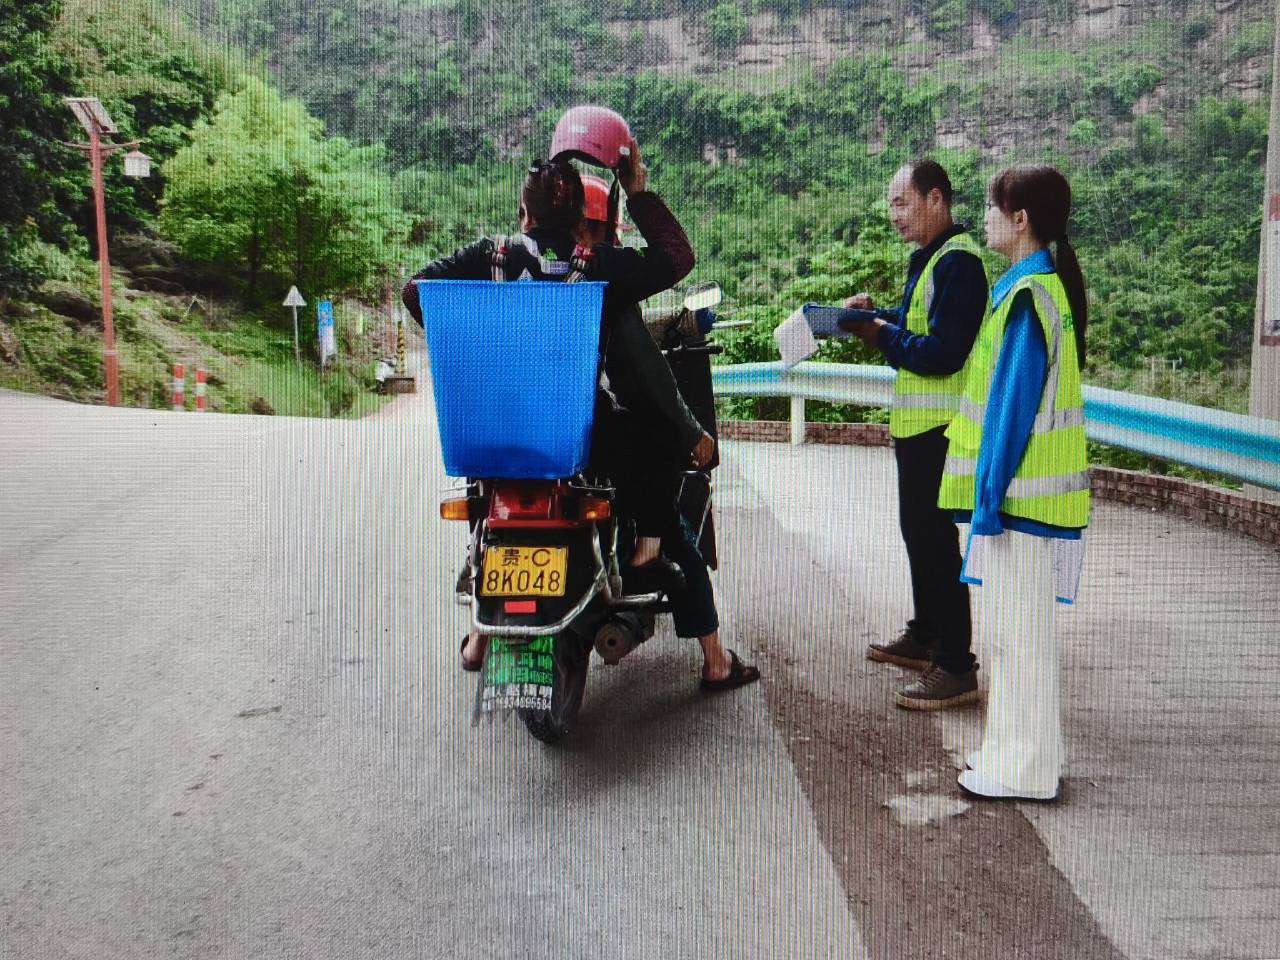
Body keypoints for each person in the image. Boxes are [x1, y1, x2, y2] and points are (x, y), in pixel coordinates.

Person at [403, 123, 755, 691]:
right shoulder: (598, 266)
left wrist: (465, 332)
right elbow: (676, 258)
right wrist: (636, 189)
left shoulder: (490, 256)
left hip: (494, 430)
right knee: (661, 450)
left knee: (486, 500)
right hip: (577, 435)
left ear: (524, 214)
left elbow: (415, 291)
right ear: (578, 223)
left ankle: (478, 637)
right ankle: (657, 568)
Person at [938, 165, 1090, 801]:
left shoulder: (1029, 298)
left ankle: (1024, 770)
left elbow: (1010, 413)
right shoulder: (1030, 290)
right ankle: (1012, 753)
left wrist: (987, 500)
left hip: (1020, 501)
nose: (985, 219)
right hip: (1023, 502)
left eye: (992, 208)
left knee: (1019, 642)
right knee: (1010, 637)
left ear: (1020, 220)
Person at [576, 172, 757, 694]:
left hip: (542, 448)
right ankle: (715, 661)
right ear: (603, 228)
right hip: (601, 445)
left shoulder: (522, 272)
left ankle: (480, 639)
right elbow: (646, 371)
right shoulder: (602, 275)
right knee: (676, 528)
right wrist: (691, 431)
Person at [841, 160, 989, 710]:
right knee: (918, 534)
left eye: (901, 202)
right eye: (891, 204)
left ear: (935, 199)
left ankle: (955, 665)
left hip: (941, 427)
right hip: (917, 425)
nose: (893, 214)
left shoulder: (961, 263)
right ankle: (926, 634)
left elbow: (944, 352)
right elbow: (915, 324)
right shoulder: (930, 259)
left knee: (934, 542)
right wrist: (874, 319)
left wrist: (881, 334)